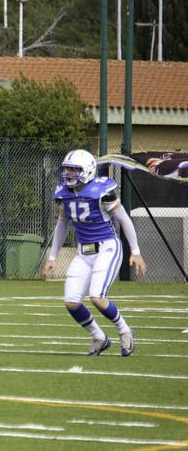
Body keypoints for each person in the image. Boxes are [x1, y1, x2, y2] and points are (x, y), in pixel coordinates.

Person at [41, 149, 147, 356]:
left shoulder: (102, 191)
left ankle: (125, 330)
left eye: (74, 170)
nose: (69, 174)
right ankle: (99, 337)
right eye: (67, 169)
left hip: (107, 247)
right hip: (83, 252)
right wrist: (53, 256)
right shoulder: (64, 194)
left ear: (88, 171)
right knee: (71, 302)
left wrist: (135, 251)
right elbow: (62, 224)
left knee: (97, 297)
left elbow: (124, 220)